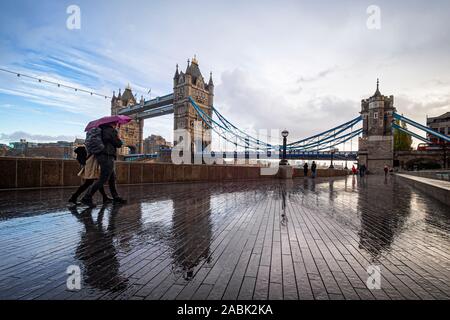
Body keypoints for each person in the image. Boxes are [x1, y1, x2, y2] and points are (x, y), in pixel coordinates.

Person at [81, 122, 127, 207]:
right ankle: (86, 197)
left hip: (101, 155)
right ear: (112, 123)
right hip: (108, 155)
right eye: (116, 123)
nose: (116, 124)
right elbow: (118, 144)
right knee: (103, 178)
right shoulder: (111, 131)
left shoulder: (101, 129)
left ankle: (115, 197)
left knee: (112, 178)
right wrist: (118, 136)